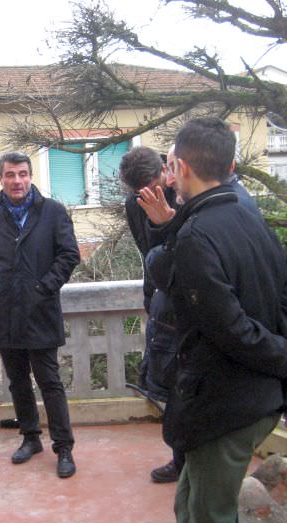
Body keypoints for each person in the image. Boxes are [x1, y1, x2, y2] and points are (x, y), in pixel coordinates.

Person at [138, 117, 287, 523]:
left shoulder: (199, 234)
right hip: (241, 401)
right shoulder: (245, 213)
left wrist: (285, 364)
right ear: (232, 165)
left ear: (179, 167)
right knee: (189, 507)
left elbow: (231, 329)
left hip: (228, 405)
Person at [0, 151, 80, 478]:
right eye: (10, 175)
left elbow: (69, 254)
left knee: (50, 382)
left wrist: (44, 288)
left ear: (30, 176)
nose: (16, 181)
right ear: (1, 178)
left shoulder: (52, 212)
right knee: (18, 381)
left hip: (41, 311)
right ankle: (30, 438)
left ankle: (63, 448)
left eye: (22, 174)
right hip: (4, 313)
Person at [119, 146, 182, 484]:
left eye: (151, 184)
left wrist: (168, 221)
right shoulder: (134, 204)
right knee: (167, 386)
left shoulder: (183, 191)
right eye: (138, 191)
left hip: (189, 302)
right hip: (159, 299)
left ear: (163, 170)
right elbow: (149, 253)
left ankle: (191, 463)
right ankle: (178, 458)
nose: (147, 194)